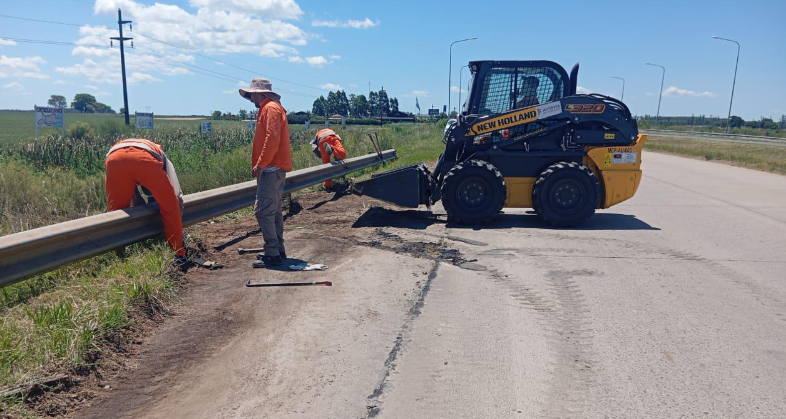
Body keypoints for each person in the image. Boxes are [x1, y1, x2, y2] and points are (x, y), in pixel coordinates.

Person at [240, 78, 292, 268]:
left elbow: (272, 138)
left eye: (252, 93)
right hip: (275, 168)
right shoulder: (272, 107)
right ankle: (277, 249)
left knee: (263, 211)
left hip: (271, 169)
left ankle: (273, 253)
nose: (250, 97)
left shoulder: (270, 108)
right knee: (273, 211)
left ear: (259, 93)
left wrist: (261, 164)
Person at [105, 138, 185, 261]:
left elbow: (133, 195)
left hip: (114, 160)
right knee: (170, 207)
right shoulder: (163, 157)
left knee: (116, 211)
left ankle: (118, 253)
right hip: (145, 161)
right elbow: (176, 195)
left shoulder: (124, 145)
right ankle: (178, 252)